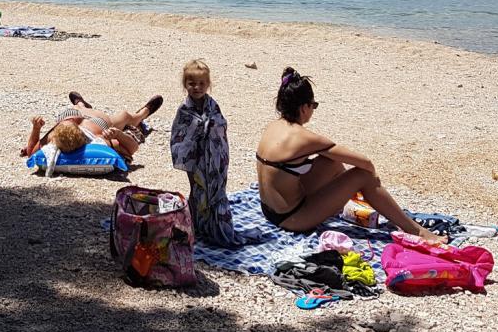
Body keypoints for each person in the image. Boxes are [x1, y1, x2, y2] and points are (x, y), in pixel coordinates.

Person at [254, 67, 444, 243]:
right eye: (314, 105)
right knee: (363, 176)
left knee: (332, 163)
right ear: (304, 107)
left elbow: (334, 160)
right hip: (292, 218)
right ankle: (415, 230)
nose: (313, 111)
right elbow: (366, 163)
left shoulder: (273, 127)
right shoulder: (305, 138)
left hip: (269, 209)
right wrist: (368, 184)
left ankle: (350, 202)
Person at [170, 60, 243, 247]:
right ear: (185, 84)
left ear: (208, 84)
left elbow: (220, 126)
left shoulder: (212, 106)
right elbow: (180, 135)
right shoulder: (185, 110)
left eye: (202, 83)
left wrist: (209, 127)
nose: (197, 87)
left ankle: (212, 225)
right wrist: (199, 129)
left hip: (213, 157)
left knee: (215, 190)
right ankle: (194, 224)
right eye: (192, 83)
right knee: (197, 190)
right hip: (194, 158)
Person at [21, 92, 164, 160]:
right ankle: (142, 114)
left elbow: (31, 151)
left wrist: (36, 129)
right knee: (124, 116)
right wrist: (118, 134)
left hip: (73, 113)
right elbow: (133, 148)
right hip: (98, 121)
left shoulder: (54, 137)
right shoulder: (97, 139)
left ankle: (81, 104)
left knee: (78, 109)